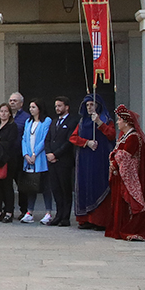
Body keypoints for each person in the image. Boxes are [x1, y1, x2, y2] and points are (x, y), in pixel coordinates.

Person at [106, 104, 145, 241]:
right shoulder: (125, 137)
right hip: (122, 177)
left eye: (119, 120)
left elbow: (125, 156)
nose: (117, 122)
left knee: (130, 204)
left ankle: (132, 229)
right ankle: (120, 228)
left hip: (130, 178)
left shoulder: (134, 137)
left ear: (126, 122)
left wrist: (114, 156)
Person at [69, 93, 115, 231]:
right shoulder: (82, 122)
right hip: (85, 158)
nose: (89, 107)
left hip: (100, 158)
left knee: (99, 185)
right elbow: (73, 137)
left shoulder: (106, 119)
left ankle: (100, 220)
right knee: (85, 185)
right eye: (87, 105)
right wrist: (86, 142)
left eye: (92, 105)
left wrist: (99, 123)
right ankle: (86, 219)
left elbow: (112, 135)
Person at [0, 102, 21, 223]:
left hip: (7, 160)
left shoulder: (12, 127)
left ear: (10, 114)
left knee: (7, 186)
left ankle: (9, 212)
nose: (3, 113)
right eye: (1, 111)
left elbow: (9, 143)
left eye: (6, 111)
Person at [45, 96, 77, 227]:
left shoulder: (72, 121)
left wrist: (56, 154)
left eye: (59, 106)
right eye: (56, 106)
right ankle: (58, 215)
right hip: (52, 161)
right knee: (56, 189)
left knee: (65, 189)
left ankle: (65, 217)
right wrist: (48, 153)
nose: (57, 108)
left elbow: (69, 142)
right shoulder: (54, 122)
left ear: (66, 107)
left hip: (64, 160)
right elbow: (47, 139)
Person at [20, 99, 52, 224]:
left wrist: (34, 154)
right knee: (30, 186)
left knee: (45, 186)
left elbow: (44, 139)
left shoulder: (46, 121)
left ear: (39, 108)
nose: (31, 109)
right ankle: (29, 212)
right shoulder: (28, 121)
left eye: (33, 107)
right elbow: (24, 139)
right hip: (28, 159)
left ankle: (48, 212)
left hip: (40, 158)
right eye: (30, 107)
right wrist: (26, 154)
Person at [8, 92, 32, 218]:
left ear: (21, 103)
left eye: (15, 101)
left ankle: (24, 210)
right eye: (11, 100)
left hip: (19, 155)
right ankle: (8, 210)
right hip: (7, 155)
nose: (12, 102)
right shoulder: (6, 115)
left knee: (21, 185)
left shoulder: (26, 117)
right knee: (7, 184)